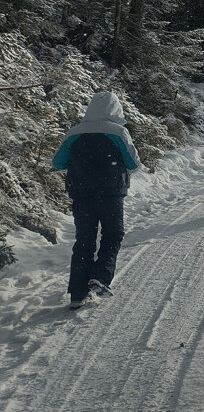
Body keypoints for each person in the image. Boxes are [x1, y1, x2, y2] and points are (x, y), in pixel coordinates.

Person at [52, 91, 142, 310]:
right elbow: (133, 163)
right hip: (111, 194)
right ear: (116, 109)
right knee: (113, 234)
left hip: (82, 195)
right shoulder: (118, 132)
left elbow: (58, 162)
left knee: (84, 240)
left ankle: (77, 293)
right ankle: (100, 276)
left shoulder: (74, 133)